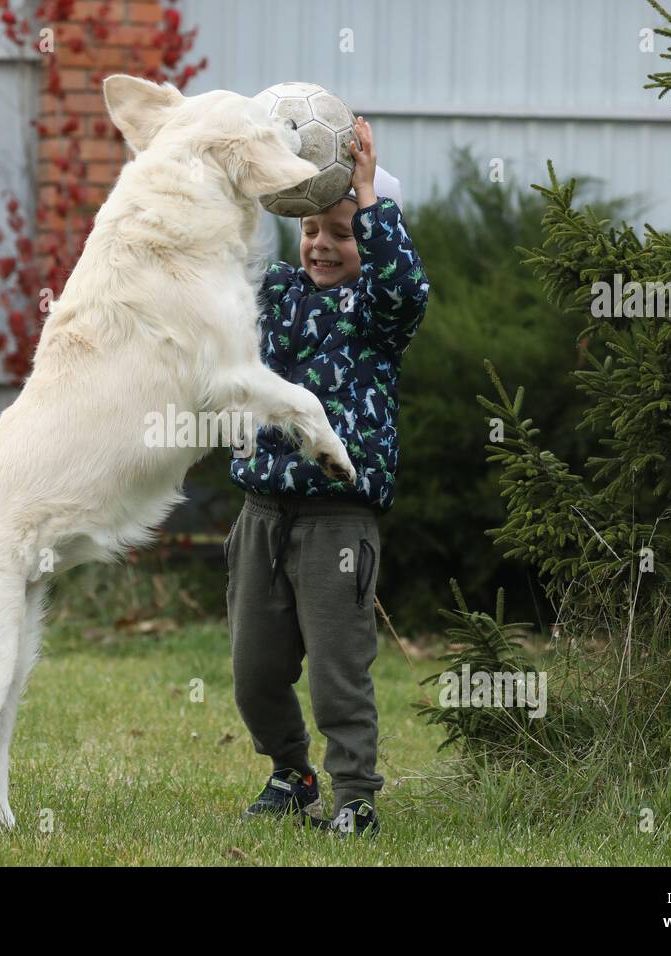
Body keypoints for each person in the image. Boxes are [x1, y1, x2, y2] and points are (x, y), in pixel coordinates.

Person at [225, 117, 430, 837]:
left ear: (368, 242)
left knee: (340, 675)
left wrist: (367, 194)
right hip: (260, 516)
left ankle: (355, 801)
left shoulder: (377, 314)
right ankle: (290, 773)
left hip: (336, 524)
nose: (322, 244)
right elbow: (230, 264)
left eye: (342, 233)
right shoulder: (276, 296)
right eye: (313, 229)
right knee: (254, 672)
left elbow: (406, 286)